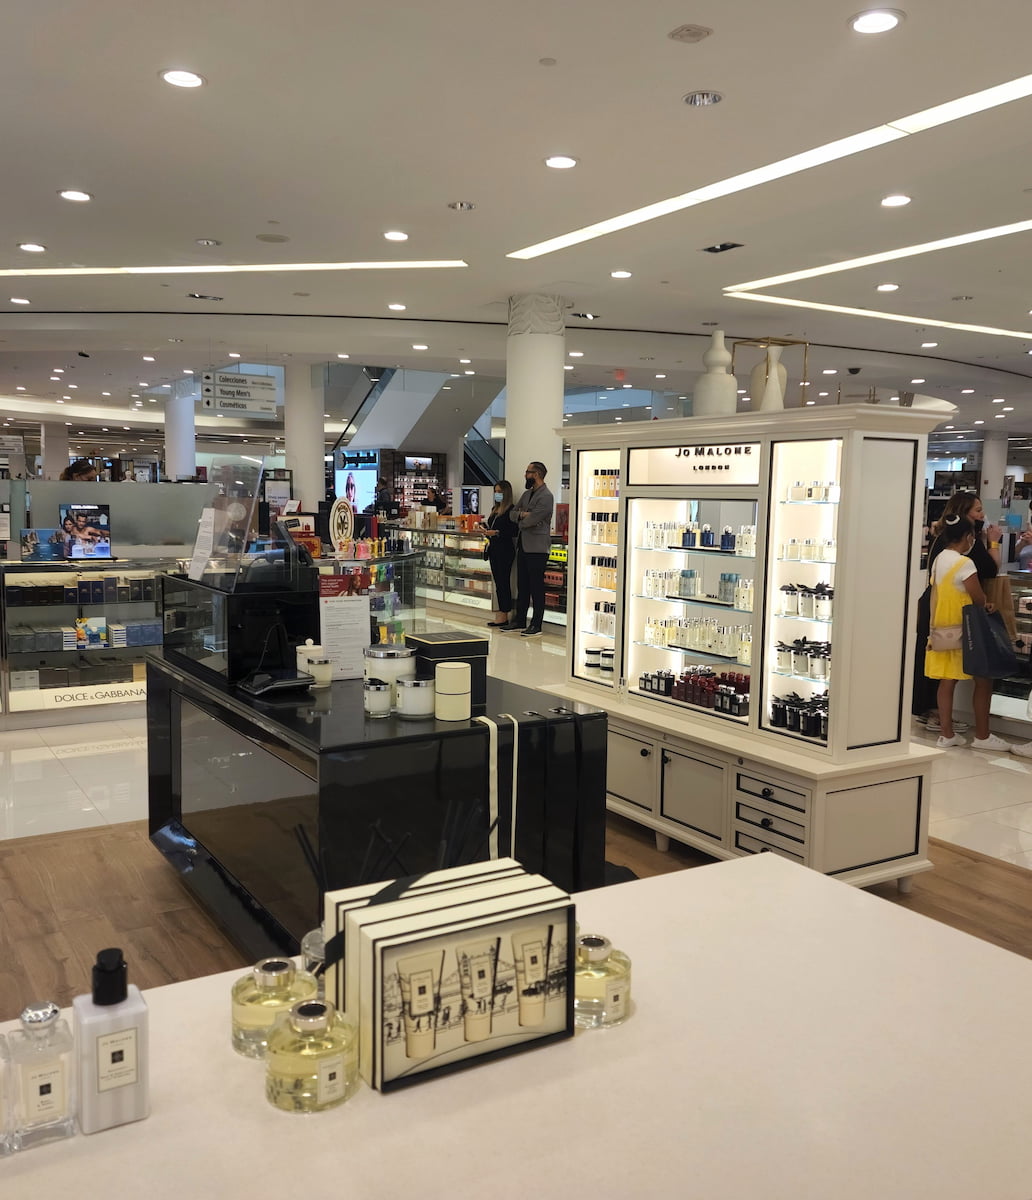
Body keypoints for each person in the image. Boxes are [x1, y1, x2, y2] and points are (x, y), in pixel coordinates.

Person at [914, 491, 1002, 730]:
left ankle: (941, 724)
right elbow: (989, 572)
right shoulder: (964, 560)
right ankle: (970, 731)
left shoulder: (941, 550)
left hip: (938, 613)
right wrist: (993, 543)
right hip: (956, 619)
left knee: (943, 674)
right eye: (978, 510)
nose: (982, 515)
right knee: (965, 676)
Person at [924, 514, 1011, 752]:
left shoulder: (940, 559)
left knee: (947, 681)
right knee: (983, 679)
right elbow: (978, 597)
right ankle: (982, 736)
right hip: (967, 630)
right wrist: (988, 603)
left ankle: (946, 734)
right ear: (968, 536)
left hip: (943, 629)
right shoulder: (965, 563)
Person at [499, 461, 554, 637]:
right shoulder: (527, 494)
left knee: (536, 587)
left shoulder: (546, 496)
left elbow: (532, 520)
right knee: (522, 585)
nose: (525, 475)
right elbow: (512, 514)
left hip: (538, 548)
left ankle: (536, 624)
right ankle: (519, 620)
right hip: (523, 545)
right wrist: (523, 515)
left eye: (528, 472)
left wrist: (524, 519)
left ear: (536, 474)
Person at [479, 480, 518, 627]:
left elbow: (513, 531)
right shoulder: (495, 509)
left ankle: (504, 613)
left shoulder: (511, 510)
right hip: (494, 548)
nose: (497, 494)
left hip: (505, 550)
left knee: (503, 582)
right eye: (495, 491)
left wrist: (497, 532)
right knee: (498, 582)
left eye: (500, 492)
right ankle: (501, 612)